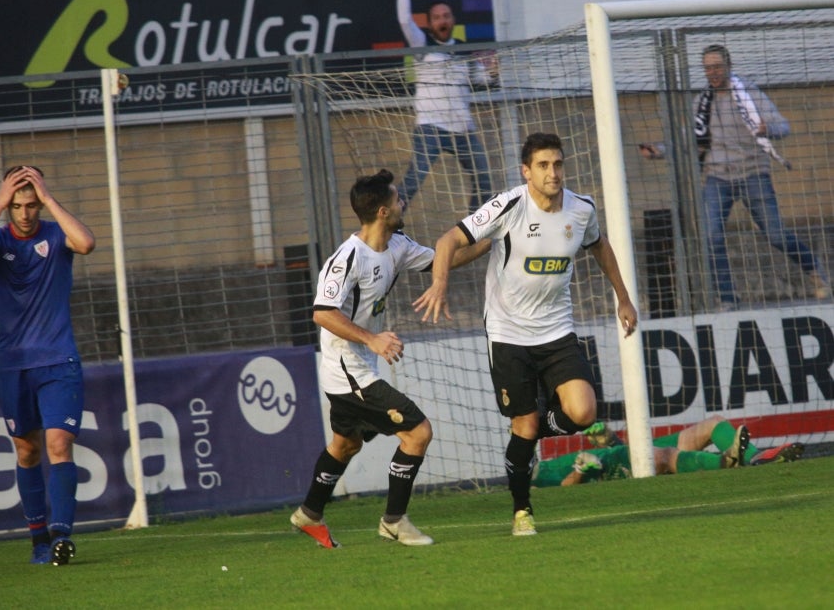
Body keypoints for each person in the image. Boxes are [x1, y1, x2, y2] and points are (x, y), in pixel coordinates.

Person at [414, 132, 638, 536]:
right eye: (543, 165)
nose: (553, 173)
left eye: (558, 164)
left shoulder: (581, 208)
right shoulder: (510, 205)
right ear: (526, 171)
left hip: (556, 329)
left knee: (583, 411)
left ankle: (530, 427)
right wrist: (440, 283)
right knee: (525, 427)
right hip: (508, 332)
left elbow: (599, 246)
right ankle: (522, 510)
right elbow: (448, 239)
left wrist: (623, 297)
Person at [289, 169, 488, 548]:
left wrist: (493, 239)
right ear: (382, 211)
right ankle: (394, 520)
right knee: (418, 432)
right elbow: (322, 313)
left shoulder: (397, 244)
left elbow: (443, 260)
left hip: (361, 365)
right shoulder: (346, 259)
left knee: (346, 445)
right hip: (348, 371)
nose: (403, 204)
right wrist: (373, 339)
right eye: (398, 200)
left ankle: (310, 513)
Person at [0, 165, 95, 565]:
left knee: (59, 444)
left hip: (58, 360)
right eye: (17, 205)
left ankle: (61, 537)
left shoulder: (55, 235)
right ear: (7, 206)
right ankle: (38, 540)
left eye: (31, 204)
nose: (24, 213)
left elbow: (86, 243)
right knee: (27, 451)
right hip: (15, 366)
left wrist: (51, 198)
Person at [640, 44, 831, 306]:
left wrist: (768, 128)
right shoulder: (702, 103)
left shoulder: (749, 95)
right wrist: (659, 149)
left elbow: (783, 126)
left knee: (775, 234)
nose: (713, 72)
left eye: (717, 67)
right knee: (711, 236)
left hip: (753, 173)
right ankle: (728, 298)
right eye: (707, 68)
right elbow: (689, 140)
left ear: (728, 66)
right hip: (718, 178)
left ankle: (814, 269)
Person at [395, 0, 496, 212]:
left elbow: (482, 80)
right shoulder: (422, 46)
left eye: (446, 16)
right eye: (437, 17)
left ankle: (473, 229)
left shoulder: (464, 50)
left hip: (462, 129)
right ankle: (387, 222)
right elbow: (404, 21)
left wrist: (492, 70)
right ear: (430, 24)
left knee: (484, 180)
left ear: (453, 20)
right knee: (413, 181)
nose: (442, 21)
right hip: (430, 127)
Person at [533, 416, 803, 488]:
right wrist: (579, 471)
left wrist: (607, 439)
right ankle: (726, 462)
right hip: (613, 472)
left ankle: (755, 458)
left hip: (617, 457)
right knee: (661, 458)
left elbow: (611, 453)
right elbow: (565, 491)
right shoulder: (535, 482)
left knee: (714, 424)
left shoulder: (541, 466)